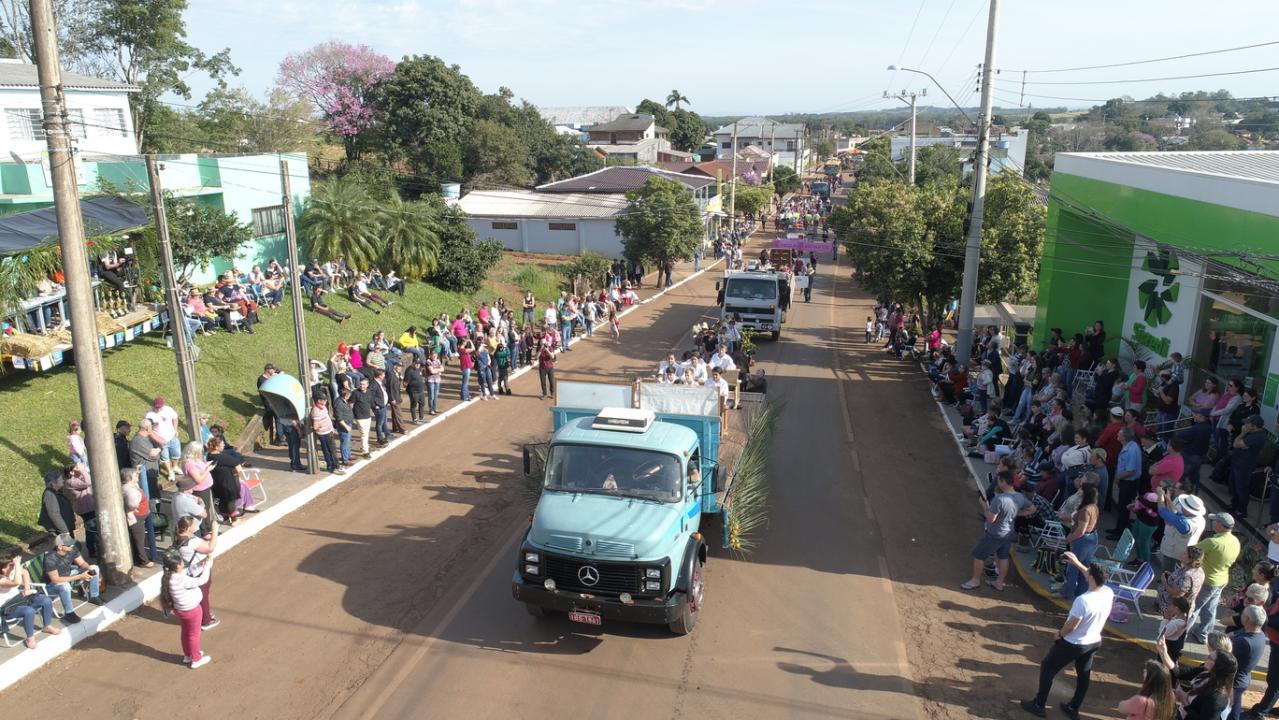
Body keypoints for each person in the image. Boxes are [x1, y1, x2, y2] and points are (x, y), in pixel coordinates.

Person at [1020, 553, 1113, 719]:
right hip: (1093, 642)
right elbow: (1090, 575)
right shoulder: (1108, 592)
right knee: (1084, 676)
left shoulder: (1083, 600)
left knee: (1048, 667)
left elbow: (1072, 625)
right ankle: (1073, 708)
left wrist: (1059, 634)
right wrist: (1077, 562)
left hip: (1073, 642)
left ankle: (1039, 705)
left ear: (1091, 578)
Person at [962, 471, 1035, 592]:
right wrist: (1016, 514)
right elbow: (1032, 509)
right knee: (1003, 557)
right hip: (1008, 533)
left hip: (995, 533)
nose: (998, 483)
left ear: (1004, 482)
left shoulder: (999, 499)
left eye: (999, 480)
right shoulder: (1020, 496)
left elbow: (990, 519)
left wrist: (984, 506)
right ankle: (999, 583)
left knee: (978, 555)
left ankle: (975, 580)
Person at [159, 525, 216, 669]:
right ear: (177, 566)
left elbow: (187, 573)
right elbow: (200, 581)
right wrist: (208, 565)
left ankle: (188, 655)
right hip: (191, 610)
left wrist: (202, 564)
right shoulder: (180, 579)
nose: (183, 563)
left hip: (181, 610)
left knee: (186, 633)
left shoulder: (169, 577)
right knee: (194, 635)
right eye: (181, 562)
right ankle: (196, 659)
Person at [1189, 513, 1241, 643]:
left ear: (1220, 525)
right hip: (1222, 579)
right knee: (1210, 608)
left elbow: (1192, 551)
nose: (1213, 523)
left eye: (1215, 521)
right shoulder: (1235, 541)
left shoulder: (1212, 542)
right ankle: (1203, 634)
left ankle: (1180, 634)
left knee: (1193, 607)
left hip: (1207, 580)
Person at [0, 550, 60, 649]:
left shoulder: (12, 570)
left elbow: (25, 573)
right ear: (2, 569)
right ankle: (30, 638)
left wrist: (27, 588)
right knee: (29, 611)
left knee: (46, 600)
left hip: (19, 599)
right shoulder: (1, 579)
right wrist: (17, 565)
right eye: (10, 565)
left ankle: (47, 626)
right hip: (6, 607)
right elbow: (17, 582)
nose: (13, 567)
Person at [43, 533, 103, 620]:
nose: (72, 545)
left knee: (95, 568)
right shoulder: (50, 558)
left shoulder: (73, 549)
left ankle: (94, 596)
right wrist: (80, 576)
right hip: (52, 585)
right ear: (60, 547)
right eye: (69, 544)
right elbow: (55, 579)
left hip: (69, 575)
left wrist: (89, 568)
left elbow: (82, 563)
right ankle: (69, 613)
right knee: (65, 586)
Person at [1229, 606, 1267, 720]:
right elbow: (1233, 634)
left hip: (1235, 681)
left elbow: (1223, 649)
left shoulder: (1244, 641)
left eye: (1243, 615)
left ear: (1247, 620)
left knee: (1232, 710)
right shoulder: (1258, 633)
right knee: (1234, 705)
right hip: (1242, 678)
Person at [37, 467, 75, 539]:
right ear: (53, 483)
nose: (63, 480)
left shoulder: (57, 491)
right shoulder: (49, 495)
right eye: (60, 479)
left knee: (72, 548)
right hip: (60, 531)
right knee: (68, 549)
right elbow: (54, 514)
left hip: (64, 529)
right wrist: (64, 531)